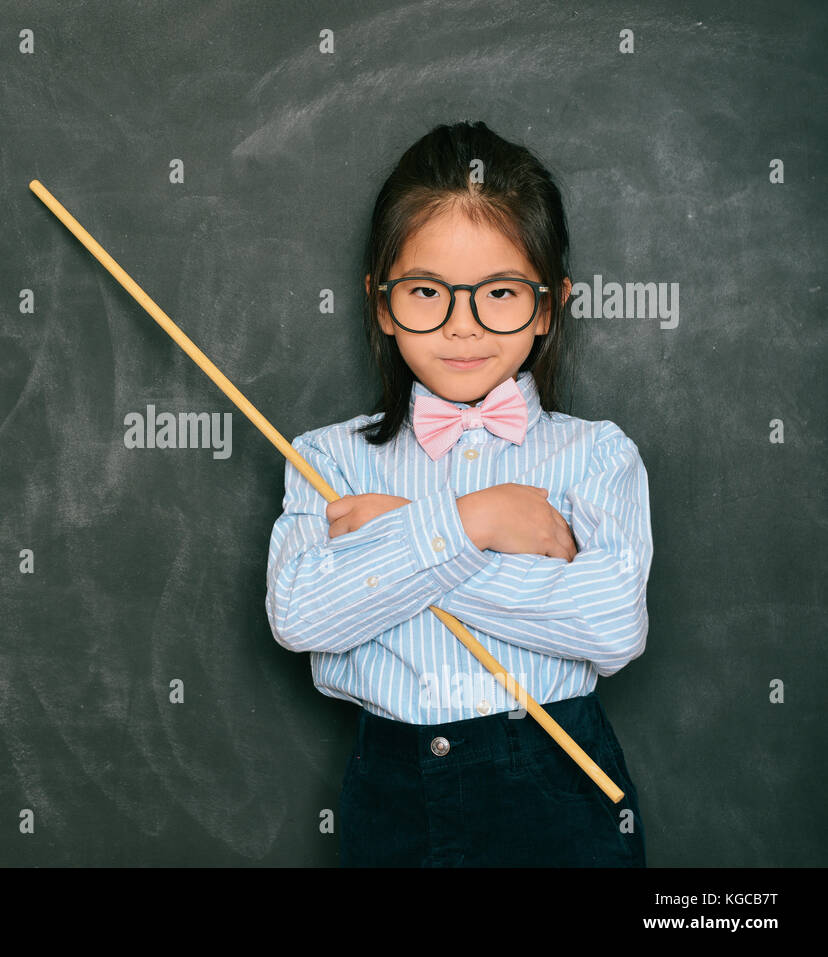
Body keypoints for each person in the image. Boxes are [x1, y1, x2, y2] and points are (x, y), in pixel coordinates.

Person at [265, 121, 651, 867]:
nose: (463, 326)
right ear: (381, 302)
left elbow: (612, 624)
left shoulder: (595, 454)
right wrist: (474, 519)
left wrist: (403, 535)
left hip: (560, 782)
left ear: (547, 304)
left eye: (500, 292)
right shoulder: (329, 459)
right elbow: (301, 613)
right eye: (426, 292)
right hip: (393, 790)